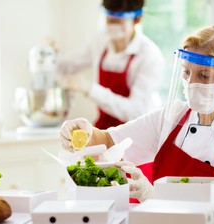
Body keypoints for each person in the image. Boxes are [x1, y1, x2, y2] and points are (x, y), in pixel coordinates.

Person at [59, 25, 214, 208]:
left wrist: (153, 199)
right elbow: (108, 142)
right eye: (186, 72)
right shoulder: (173, 116)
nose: (191, 83)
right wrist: (83, 132)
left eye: (204, 75)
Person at [56, 0, 165, 129]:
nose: (112, 26)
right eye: (109, 19)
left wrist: (90, 89)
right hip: (103, 129)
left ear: (137, 18)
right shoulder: (99, 41)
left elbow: (135, 112)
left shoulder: (149, 56)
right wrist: (50, 55)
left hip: (135, 133)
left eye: (118, 20)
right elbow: (67, 66)